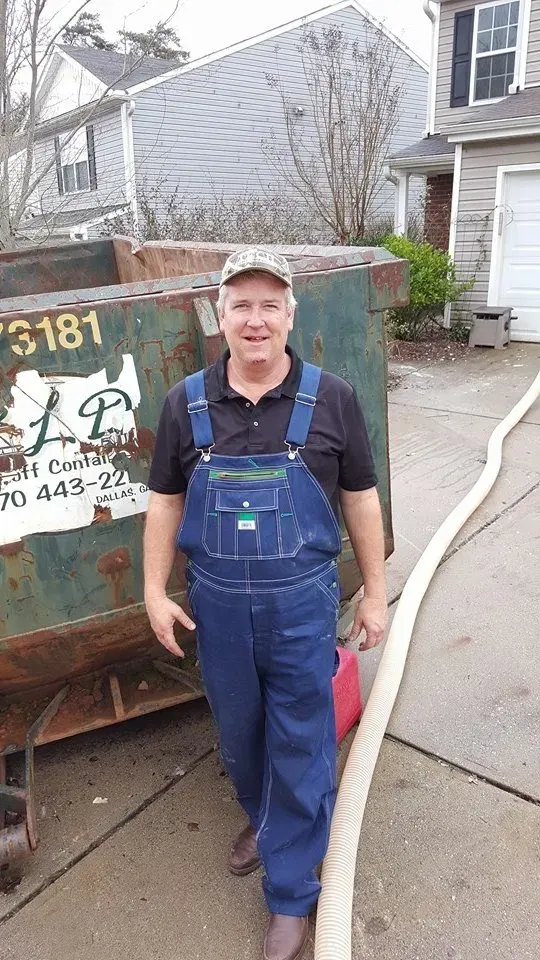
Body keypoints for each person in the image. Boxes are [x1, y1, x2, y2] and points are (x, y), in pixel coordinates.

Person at [144, 247, 387, 960]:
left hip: (301, 607)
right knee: (242, 738)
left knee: (302, 741)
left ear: (290, 314)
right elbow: (164, 502)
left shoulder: (332, 397)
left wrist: (376, 593)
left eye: (269, 304)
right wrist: (154, 591)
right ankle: (267, 817)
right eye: (240, 305)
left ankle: (289, 895)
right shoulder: (185, 402)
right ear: (219, 317)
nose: (256, 319)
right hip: (216, 608)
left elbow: (361, 499)